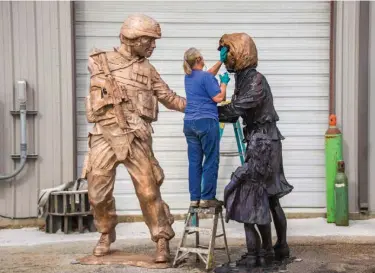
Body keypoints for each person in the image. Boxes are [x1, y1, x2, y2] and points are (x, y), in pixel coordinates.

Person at [81, 14, 186, 263]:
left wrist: (200, 106)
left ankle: (161, 238)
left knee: (149, 191)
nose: (153, 46)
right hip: (104, 134)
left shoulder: (148, 70)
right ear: (131, 39)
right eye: (148, 40)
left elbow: (169, 98)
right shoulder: (101, 62)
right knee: (97, 193)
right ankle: (105, 232)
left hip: (136, 136)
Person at [217, 32, 294, 262]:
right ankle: (275, 248)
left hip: (264, 143)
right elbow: (234, 109)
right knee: (268, 197)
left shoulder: (255, 80)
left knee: (264, 195)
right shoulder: (243, 79)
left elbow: (236, 109)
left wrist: (207, 110)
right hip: (260, 140)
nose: (223, 56)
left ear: (239, 52)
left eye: (226, 51)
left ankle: (273, 248)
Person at [182, 46, 230, 208]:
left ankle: (194, 199)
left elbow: (207, 75)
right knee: (211, 159)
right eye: (201, 57)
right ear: (198, 60)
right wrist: (223, 84)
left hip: (189, 124)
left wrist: (221, 61)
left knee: (194, 162)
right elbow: (219, 98)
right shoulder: (205, 78)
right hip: (206, 122)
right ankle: (208, 197)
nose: (203, 59)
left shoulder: (189, 77)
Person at [223, 133, 274, 268]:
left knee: (249, 226)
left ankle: (252, 257)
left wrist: (225, 200)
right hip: (262, 202)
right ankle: (263, 255)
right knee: (263, 226)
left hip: (249, 204)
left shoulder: (245, 169)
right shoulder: (267, 169)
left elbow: (229, 187)